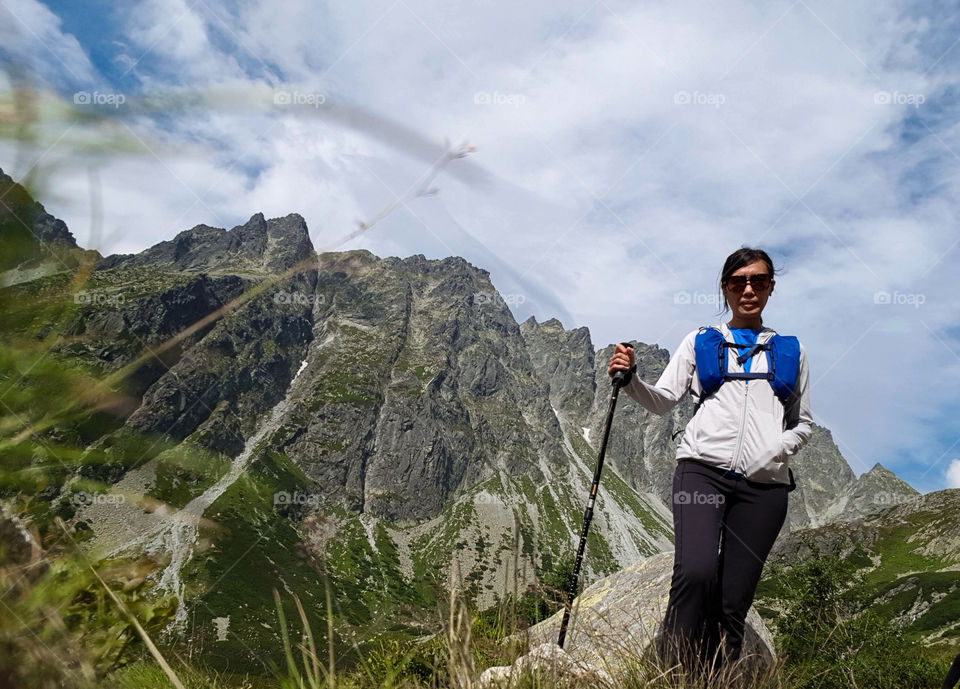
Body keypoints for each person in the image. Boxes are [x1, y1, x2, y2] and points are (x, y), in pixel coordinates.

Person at [608, 247, 813, 680]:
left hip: (765, 489)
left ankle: (713, 679)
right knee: (696, 572)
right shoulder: (700, 340)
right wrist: (630, 381)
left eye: (758, 280)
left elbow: (804, 424)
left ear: (772, 286)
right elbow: (663, 401)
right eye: (738, 281)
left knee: (733, 600)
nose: (749, 289)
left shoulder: (792, 350)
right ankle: (671, 676)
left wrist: (776, 450)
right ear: (725, 288)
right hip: (702, 471)